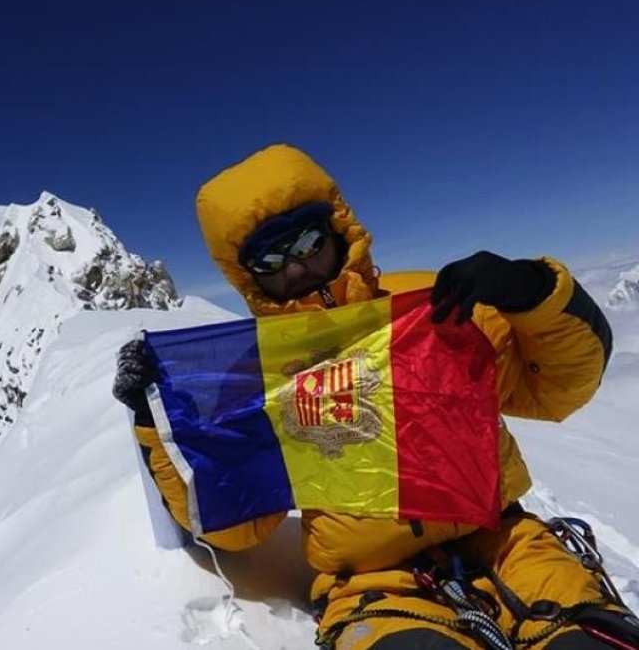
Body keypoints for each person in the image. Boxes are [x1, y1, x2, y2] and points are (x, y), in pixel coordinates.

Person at [113, 144, 638, 649]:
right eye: (270, 259)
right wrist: (156, 418)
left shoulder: (435, 308)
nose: (295, 267)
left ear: (338, 230)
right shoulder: (258, 374)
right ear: (246, 276)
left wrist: (531, 293)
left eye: (306, 243)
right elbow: (234, 521)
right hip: (371, 587)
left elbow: (558, 389)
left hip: (511, 544)